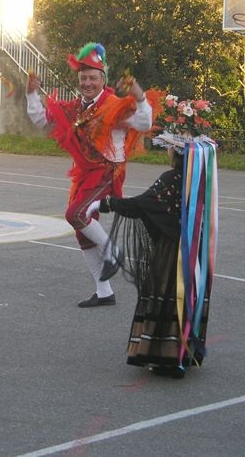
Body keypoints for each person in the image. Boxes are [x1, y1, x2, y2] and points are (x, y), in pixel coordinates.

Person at [26, 42, 163, 307]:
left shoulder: (115, 105)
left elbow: (145, 124)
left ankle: (113, 252)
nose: (87, 83)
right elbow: (41, 119)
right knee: (82, 231)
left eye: (93, 78)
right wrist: (31, 94)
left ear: (103, 79)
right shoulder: (76, 107)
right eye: (83, 78)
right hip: (85, 174)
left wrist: (140, 97)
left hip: (108, 172)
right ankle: (104, 292)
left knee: (74, 214)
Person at [92, 101, 218, 378]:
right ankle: (184, 350)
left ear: (177, 151)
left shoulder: (172, 177)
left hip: (172, 252)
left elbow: (143, 204)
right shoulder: (199, 181)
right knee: (185, 297)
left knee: (167, 295)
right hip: (192, 251)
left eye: (171, 147)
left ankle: (167, 357)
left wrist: (106, 203)